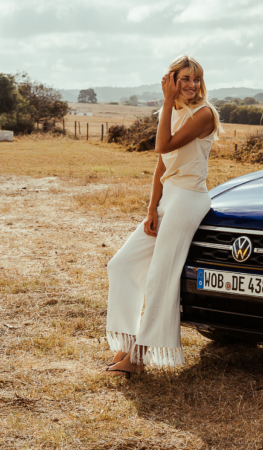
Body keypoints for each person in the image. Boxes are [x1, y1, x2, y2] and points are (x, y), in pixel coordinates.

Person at [101, 55, 224, 377]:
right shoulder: (173, 112)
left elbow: (162, 146)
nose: (192, 85)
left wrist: (167, 102)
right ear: (170, 80)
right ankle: (126, 342)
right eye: (185, 79)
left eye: (196, 79)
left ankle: (139, 357)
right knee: (121, 265)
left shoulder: (204, 114)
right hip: (168, 197)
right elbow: (162, 165)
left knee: (160, 277)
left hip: (188, 199)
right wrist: (151, 208)